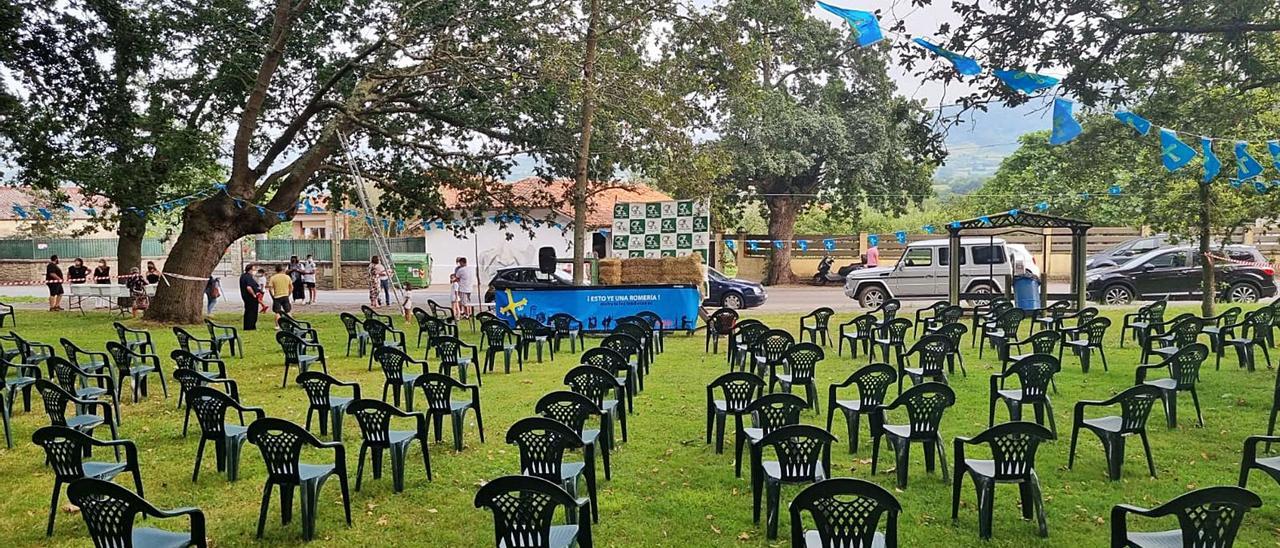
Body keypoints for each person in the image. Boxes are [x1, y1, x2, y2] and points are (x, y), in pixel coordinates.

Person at [239, 264, 261, 331]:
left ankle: (247, 326)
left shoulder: (243, 276)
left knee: (248, 311)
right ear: (250, 270)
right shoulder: (248, 277)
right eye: (253, 269)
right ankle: (251, 326)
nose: (254, 271)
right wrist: (254, 295)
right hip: (250, 298)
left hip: (246, 297)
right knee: (252, 312)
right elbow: (249, 287)